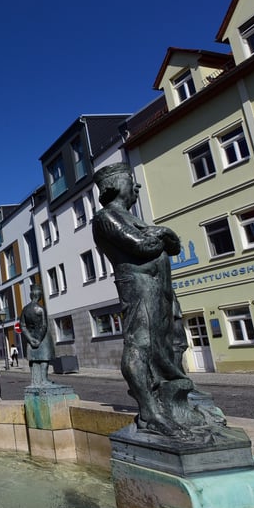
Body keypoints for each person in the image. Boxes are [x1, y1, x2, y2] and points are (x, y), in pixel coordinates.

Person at [91, 162, 211, 438]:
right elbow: (143, 246)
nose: (136, 185)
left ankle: (175, 400)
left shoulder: (135, 219)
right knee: (140, 343)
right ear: (114, 185)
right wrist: (161, 234)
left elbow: (174, 246)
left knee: (173, 341)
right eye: (129, 179)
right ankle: (149, 411)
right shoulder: (106, 217)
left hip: (161, 289)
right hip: (138, 287)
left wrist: (162, 233)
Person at [19, 284, 57, 388]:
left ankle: (35, 380)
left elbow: (22, 325)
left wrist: (30, 339)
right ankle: (44, 379)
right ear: (39, 296)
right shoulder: (41, 309)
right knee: (44, 358)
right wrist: (39, 339)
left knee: (34, 359)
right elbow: (44, 325)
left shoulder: (25, 309)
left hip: (31, 337)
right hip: (42, 337)